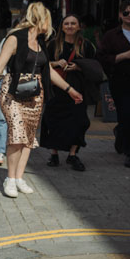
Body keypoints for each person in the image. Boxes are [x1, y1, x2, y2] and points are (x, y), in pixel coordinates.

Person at [0, 2, 83, 198]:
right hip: (13, 91)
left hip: (35, 93)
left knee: (28, 137)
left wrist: (69, 89)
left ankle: (19, 178)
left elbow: (48, 70)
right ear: (42, 18)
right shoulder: (15, 37)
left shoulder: (41, 41)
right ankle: (9, 179)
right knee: (17, 133)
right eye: (49, 20)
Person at [41, 15, 97, 170]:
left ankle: (72, 155)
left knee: (80, 121)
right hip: (56, 90)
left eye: (73, 23)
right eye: (67, 23)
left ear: (79, 26)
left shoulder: (86, 45)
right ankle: (54, 154)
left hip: (78, 89)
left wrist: (79, 67)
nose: (70, 26)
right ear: (62, 27)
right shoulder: (53, 44)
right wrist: (56, 63)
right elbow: (42, 64)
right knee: (53, 120)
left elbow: (95, 66)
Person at [97, 2, 130, 168]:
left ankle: (120, 133)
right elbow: (102, 58)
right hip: (121, 82)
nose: (129, 15)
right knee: (126, 114)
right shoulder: (111, 36)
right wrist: (124, 56)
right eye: (126, 12)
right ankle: (129, 152)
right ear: (120, 15)